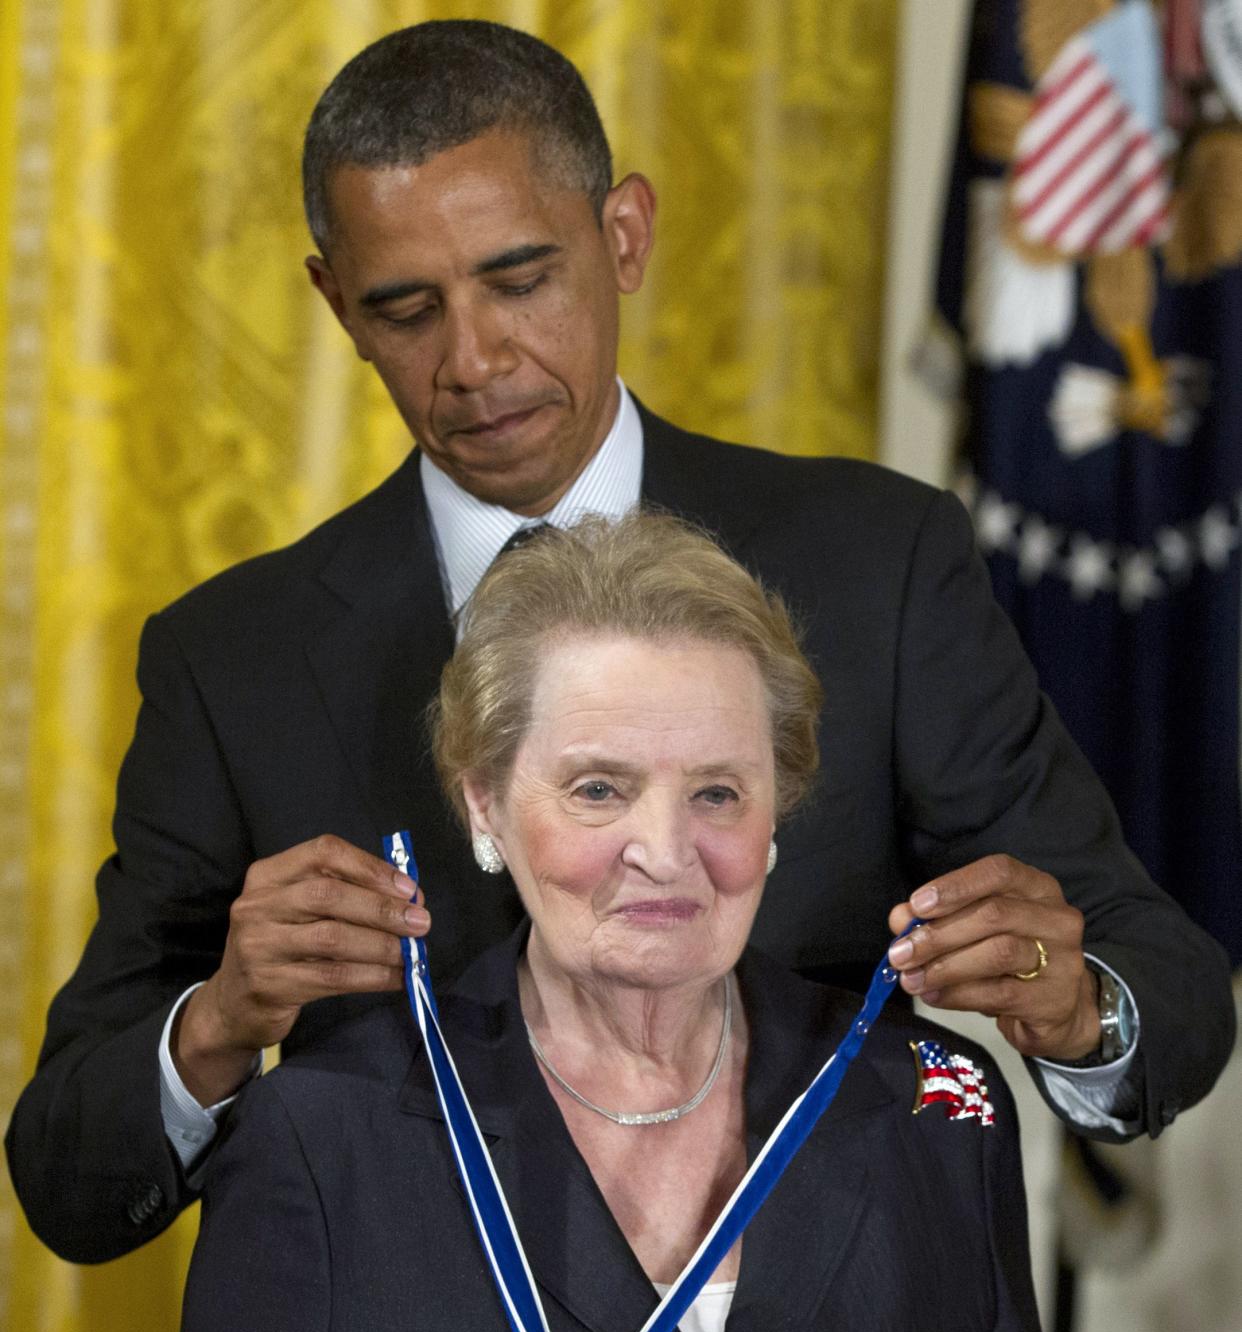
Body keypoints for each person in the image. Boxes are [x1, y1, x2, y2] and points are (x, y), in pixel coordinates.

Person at [7, 21, 1233, 1266]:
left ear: (625, 236)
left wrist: (1078, 1007)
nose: (475, 360)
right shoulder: (234, 659)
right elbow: (65, 1172)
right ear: (338, 304)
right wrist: (213, 1025)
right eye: (407, 309)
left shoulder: (880, 567)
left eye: (521, 279)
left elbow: (1165, 981)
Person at [124, 513, 1136, 1332]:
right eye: (598, 789)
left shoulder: (936, 1102)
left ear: (777, 815)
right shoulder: (330, 1134)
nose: (664, 851)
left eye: (717, 793)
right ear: (483, 807)